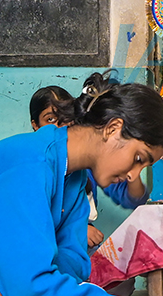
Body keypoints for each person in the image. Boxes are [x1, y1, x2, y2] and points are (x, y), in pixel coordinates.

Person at [0, 73, 163, 296]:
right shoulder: (32, 164)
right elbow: (30, 287)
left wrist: (18, 279)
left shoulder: (74, 175)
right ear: (113, 128)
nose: (134, 175)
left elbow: (73, 262)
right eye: (138, 158)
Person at [30, 84, 150, 248]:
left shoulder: (87, 161)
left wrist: (133, 168)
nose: (60, 126)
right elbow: (32, 221)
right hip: (47, 242)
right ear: (35, 125)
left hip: (79, 242)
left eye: (66, 118)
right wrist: (78, 229)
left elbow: (132, 199)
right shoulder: (31, 164)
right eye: (50, 119)